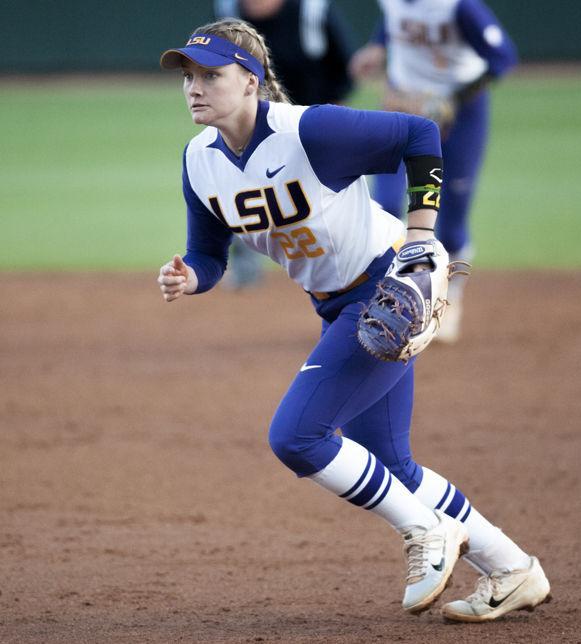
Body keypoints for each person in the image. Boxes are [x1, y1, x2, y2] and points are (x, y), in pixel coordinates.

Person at [157, 18, 550, 622]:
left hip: (392, 285)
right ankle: (513, 569)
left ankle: (426, 531)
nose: (194, 87)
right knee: (392, 465)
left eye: (211, 74)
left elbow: (420, 133)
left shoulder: (310, 130)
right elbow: (210, 251)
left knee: (296, 435)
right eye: (189, 75)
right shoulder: (199, 162)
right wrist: (192, 276)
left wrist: (422, 235)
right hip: (339, 305)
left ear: (252, 80)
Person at [349, 0, 518, 343]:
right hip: (403, 108)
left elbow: (504, 56)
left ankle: (449, 299)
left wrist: (455, 98)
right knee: (383, 205)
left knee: (452, 222)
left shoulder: (458, 7)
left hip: (460, 118)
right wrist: (378, 47)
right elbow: (394, 21)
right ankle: (386, 300)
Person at [213, 0, 354, 288]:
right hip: (257, 122)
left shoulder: (311, 10)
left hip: (310, 121)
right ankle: (244, 261)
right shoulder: (228, 9)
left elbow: (343, 69)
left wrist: (330, 123)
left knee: (324, 202)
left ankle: (349, 266)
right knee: (241, 182)